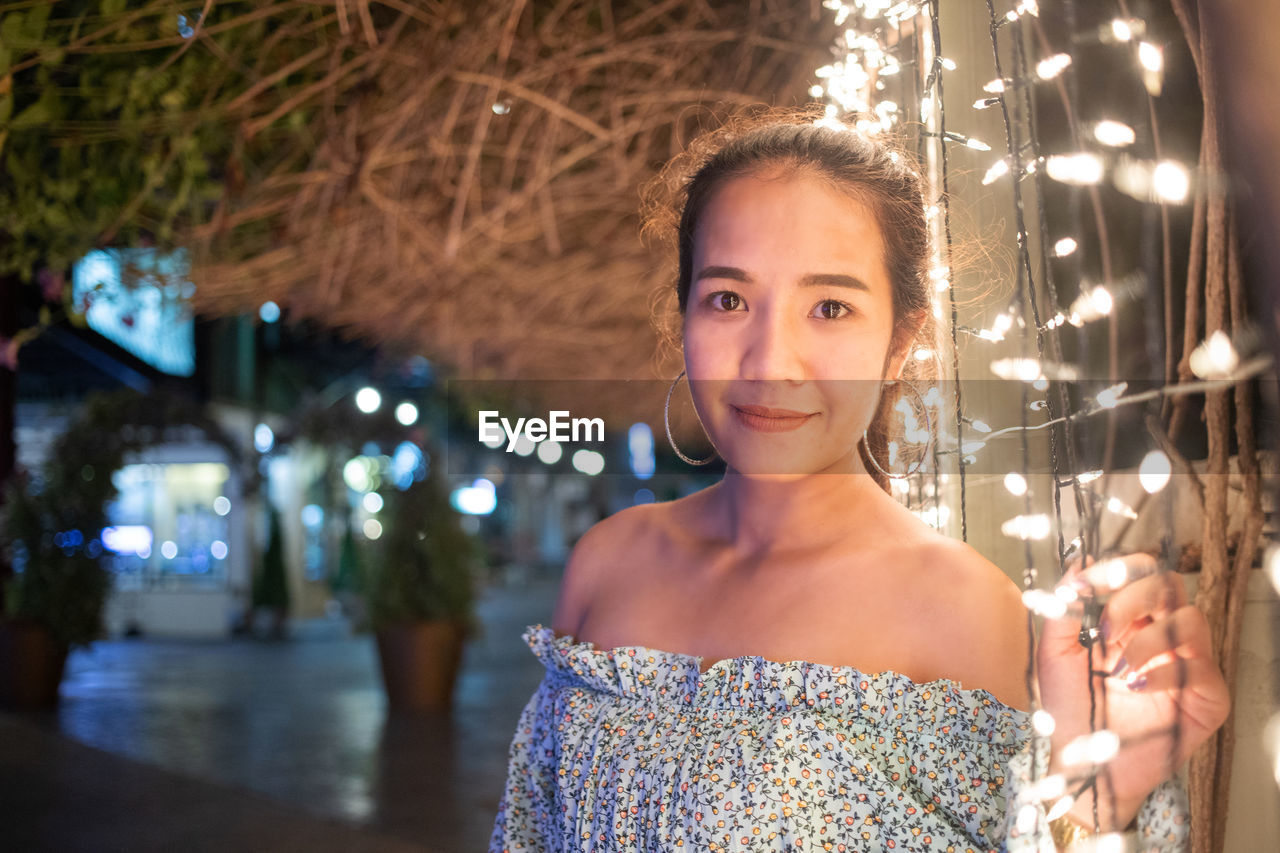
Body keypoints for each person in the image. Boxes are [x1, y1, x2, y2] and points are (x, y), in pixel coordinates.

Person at [488, 110, 1231, 852]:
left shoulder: (960, 607)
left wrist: (1095, 797)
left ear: (899, 340)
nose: (769, 360)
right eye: (728, 299)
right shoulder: (608, 562)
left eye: (830, 307)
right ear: (683, 312)